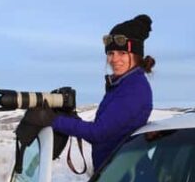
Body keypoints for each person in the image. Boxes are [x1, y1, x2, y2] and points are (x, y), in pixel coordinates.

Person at [25, 14, 155, 172]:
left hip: (127, 179)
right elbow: (109, 130)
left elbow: (98, 133)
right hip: (116, 172)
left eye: (122, 53)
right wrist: (72, 118)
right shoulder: (122, 85)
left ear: (135, 55)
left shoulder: (134, 88)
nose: (114, 59)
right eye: (110, 53)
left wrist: (53, 120)